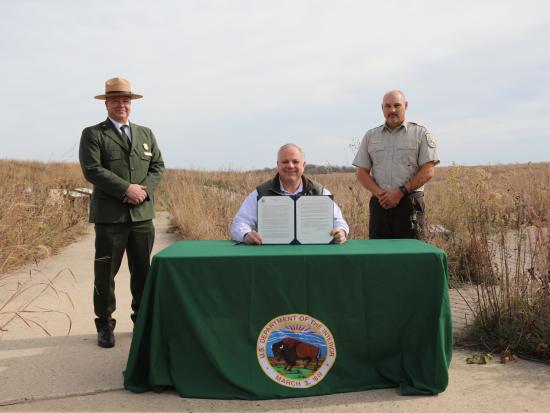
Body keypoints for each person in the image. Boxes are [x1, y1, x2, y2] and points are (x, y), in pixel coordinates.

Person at [79, 77, 165, 348]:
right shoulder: (93, 134)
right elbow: (92, 169)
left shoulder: (145, 134)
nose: (121, 104)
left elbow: (158, 166)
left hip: (141, 217)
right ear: (106, 103)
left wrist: (144, 191)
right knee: (105, 273)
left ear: (131, 104)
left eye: (126, 100)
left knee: (143, 272)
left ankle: (142, 321)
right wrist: (125, 188)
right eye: (115, 99)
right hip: (110, 218)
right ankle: (104, 324)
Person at [353, 90, 439, 239]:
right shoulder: (371, 135)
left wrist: (400, 192)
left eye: (397, 105)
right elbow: (361, 172)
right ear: (382, 108)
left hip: (410, 203)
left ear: (405, 106)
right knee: (379, 255)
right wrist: (381, 195)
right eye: (388, 106)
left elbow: (428, 171)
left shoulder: (420, 134)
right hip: (380, 204)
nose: (392, 110)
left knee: (413, 255)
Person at [231, 143, 349, 244]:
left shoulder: (320, 192)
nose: (290, 166)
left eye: (295, 161)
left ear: (303, 165)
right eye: (285, 161)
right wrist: (246, 234)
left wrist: (341, 232)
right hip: (272, 256)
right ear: (278, 165)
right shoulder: (260, 193)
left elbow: (339, 221)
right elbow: (239, 223)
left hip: (312, 255)